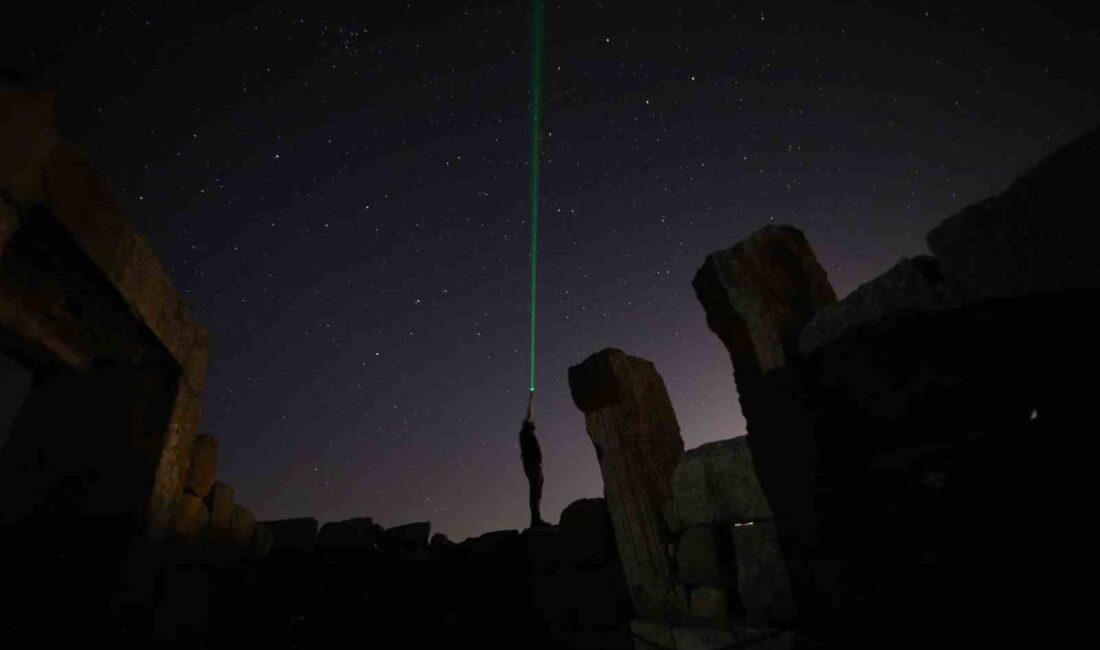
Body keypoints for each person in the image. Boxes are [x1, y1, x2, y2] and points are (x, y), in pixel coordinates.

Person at [519, 392, 548, 528]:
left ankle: (536, 519)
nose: (534, 423)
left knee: (537, 490)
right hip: (533, 464)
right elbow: (529, 415)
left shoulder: (527, 433)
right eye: (532, 422)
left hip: (535, 464)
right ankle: (535, 520)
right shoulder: (525, 431)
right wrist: (531, 399)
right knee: (535, 490)